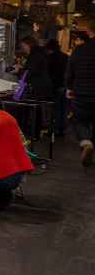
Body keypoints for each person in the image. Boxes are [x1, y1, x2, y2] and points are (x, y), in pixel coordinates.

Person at [65, 16, 95, 166]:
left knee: (80, 121)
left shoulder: (79, 50)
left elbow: (70, 71)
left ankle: (86, 143)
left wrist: (69, 88)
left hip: (81, 93)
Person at [16, 36, 53, 100]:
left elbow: (30, 72)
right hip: (42, 88)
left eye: (23, 46)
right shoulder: (38, 53)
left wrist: (18, 70)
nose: (22, 48)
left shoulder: (35, 55)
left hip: (39, 89)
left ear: (28, 45)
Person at [45, 39, 69, 136]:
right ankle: (62, 129)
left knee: (56, 109)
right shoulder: (65, 56)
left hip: (55, 86)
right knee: (63, 108)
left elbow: (48, 72)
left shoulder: (50, 58)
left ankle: (55, 130)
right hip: (65, 85)